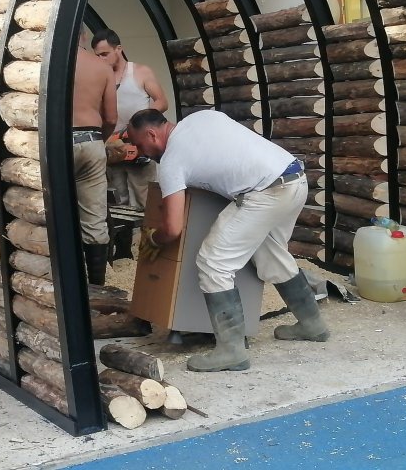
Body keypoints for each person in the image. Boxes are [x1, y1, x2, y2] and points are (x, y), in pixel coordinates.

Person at [127, 109, 330, 372]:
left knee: (213, 263)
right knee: (270, 254)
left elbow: (173, 228)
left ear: (152, 134)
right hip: (294, 180)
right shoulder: (201, 118)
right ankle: (312, 325)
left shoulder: (172, 162)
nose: (139, 151)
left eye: (138, 144)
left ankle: (231, 350)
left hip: (264, 192)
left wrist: (153, 238)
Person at [92, 29, 168, 260]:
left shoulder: (140, 71)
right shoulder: (99, 76)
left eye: (105, 53)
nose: (101, 59)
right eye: (97, 55)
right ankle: (123, 252)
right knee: (117, 200)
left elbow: (162, 101)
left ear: (119, 49)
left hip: (139, 144)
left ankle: (151, 251)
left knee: (145, 199)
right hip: (111, 145)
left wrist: (137, 125)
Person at [72, 41, 117, 286]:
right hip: (91, 140)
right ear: (83, 36)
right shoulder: (101, 67)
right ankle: (96, 287)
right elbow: (111, 117)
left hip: (54, 143)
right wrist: (100, 140)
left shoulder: (45, 60)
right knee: (94, 218)